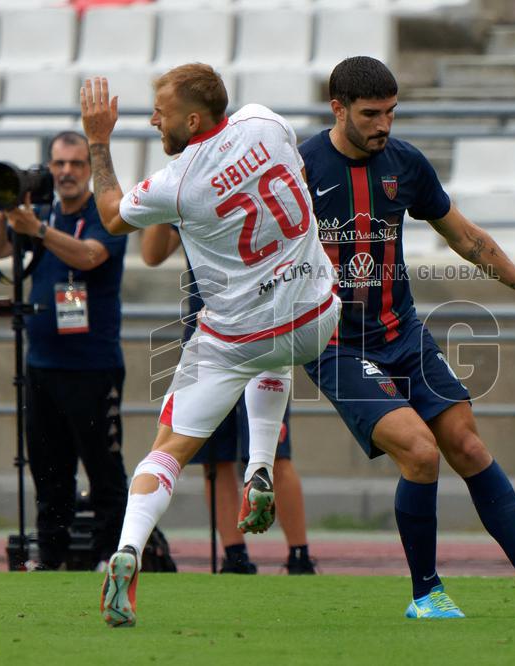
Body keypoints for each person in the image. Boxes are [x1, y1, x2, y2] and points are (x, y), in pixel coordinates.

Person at [300, 56, 515, 619]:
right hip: (335, 344)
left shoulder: (405, 164)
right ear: (338, 109)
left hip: (403, 333)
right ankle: (426, 593)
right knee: (419, 450)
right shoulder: (300, 168)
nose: (383, 125)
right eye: (370, 114)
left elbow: (466, 238)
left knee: (467, 446)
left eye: (391, 112)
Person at [81, 64, 339, 627]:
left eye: (161, 112)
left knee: (168, 446)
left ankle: (127, 551)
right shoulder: (264, 121)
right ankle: (260, 469)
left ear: (192, 119)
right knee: (280, 349)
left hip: (235, 336)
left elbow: (108, 213)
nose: (152, 119)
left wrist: (99, 140)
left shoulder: (177, 182)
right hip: (316, 314)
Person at [0, 131, 129, 572]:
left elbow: (89, 257)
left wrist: (39, 231)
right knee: (48, 471)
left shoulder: (106, 214)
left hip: (92, 366)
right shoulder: (37, 212)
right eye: (58, 164)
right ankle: (50, 556)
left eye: (76, 164)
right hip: (40, 365)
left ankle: (110, 555)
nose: (66, 172)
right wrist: (7, 200)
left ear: (89, 169)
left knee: (103, 467)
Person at [141, 224, 316, 575]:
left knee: (273, 452)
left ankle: (299, 555)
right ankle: (234, 554)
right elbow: (152, 254)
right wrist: (162, 205)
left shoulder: (250, 179)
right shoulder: (188, 186)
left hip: (262, 326)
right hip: (208, 336)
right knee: (213, 455)